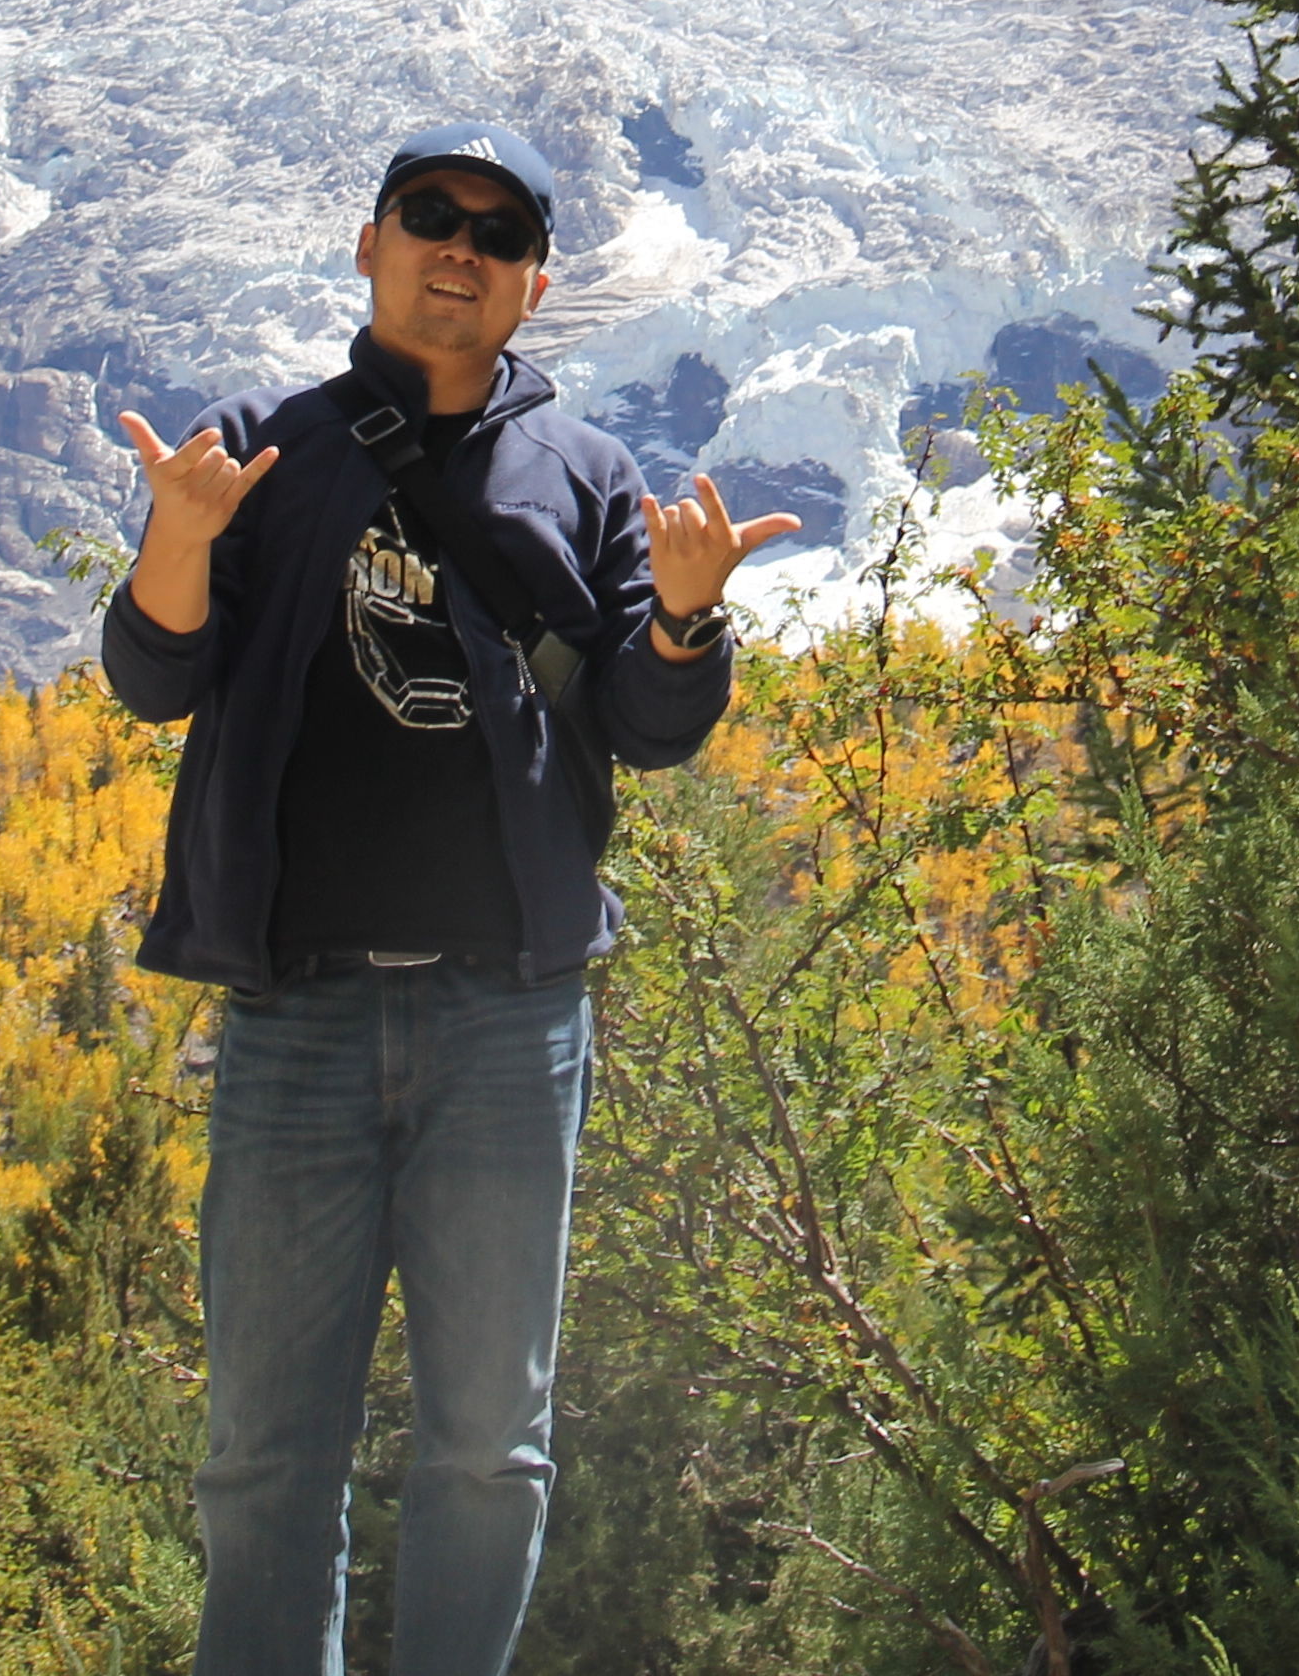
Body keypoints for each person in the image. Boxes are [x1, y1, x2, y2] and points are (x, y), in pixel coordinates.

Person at [106, 119, 800, 1676]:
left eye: (496, 234)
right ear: (369, 245)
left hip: (510, 1019)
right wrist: (178, 539)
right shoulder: (258, 448)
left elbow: (649, 728)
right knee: (263, 1446)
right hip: (299, 1014)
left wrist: (683, 621)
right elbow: (153, 678)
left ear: (534, 286)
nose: (457, 249)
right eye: (429, 215)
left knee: (494, 1441)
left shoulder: (590, 473)